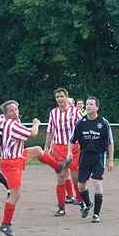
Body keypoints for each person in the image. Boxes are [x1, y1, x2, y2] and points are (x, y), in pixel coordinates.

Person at [0, 100, 68, 236]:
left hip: (15, 157)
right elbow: (33, 134)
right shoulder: (13, 126)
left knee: (37, 150)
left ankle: (58, 167)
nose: (15, 112)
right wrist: (36, 123)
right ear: (6, 113)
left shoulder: (1, 120)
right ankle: (5, 225)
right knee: (15, 195)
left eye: (16, 109)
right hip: (12, 163)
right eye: (11, 111)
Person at [67, 96, 114, 223]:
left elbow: (110, 143)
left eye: (91, 104)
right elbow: (72, 141)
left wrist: (110, 160)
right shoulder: (81, 123)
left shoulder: (103, 123)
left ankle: (96, 214)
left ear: (97, 107)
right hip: (84, 156)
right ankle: (88, 204)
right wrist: (69, 153)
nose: (88, 106)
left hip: (98, 157)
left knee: (97, 183)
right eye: (87, 104)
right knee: (81, 185)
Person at [44, 88, 82, 216]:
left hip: (74, 147)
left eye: (61, 96)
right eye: (57, 97)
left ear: (67, 97)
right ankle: (61, 207)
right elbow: (50, 131)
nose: (59, 99)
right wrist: (46, 147)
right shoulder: (53, 113)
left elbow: (83, 127)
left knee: (76, 177)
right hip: (59, 148)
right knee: (61, 177)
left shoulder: (75, 112)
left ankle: (81, 200)